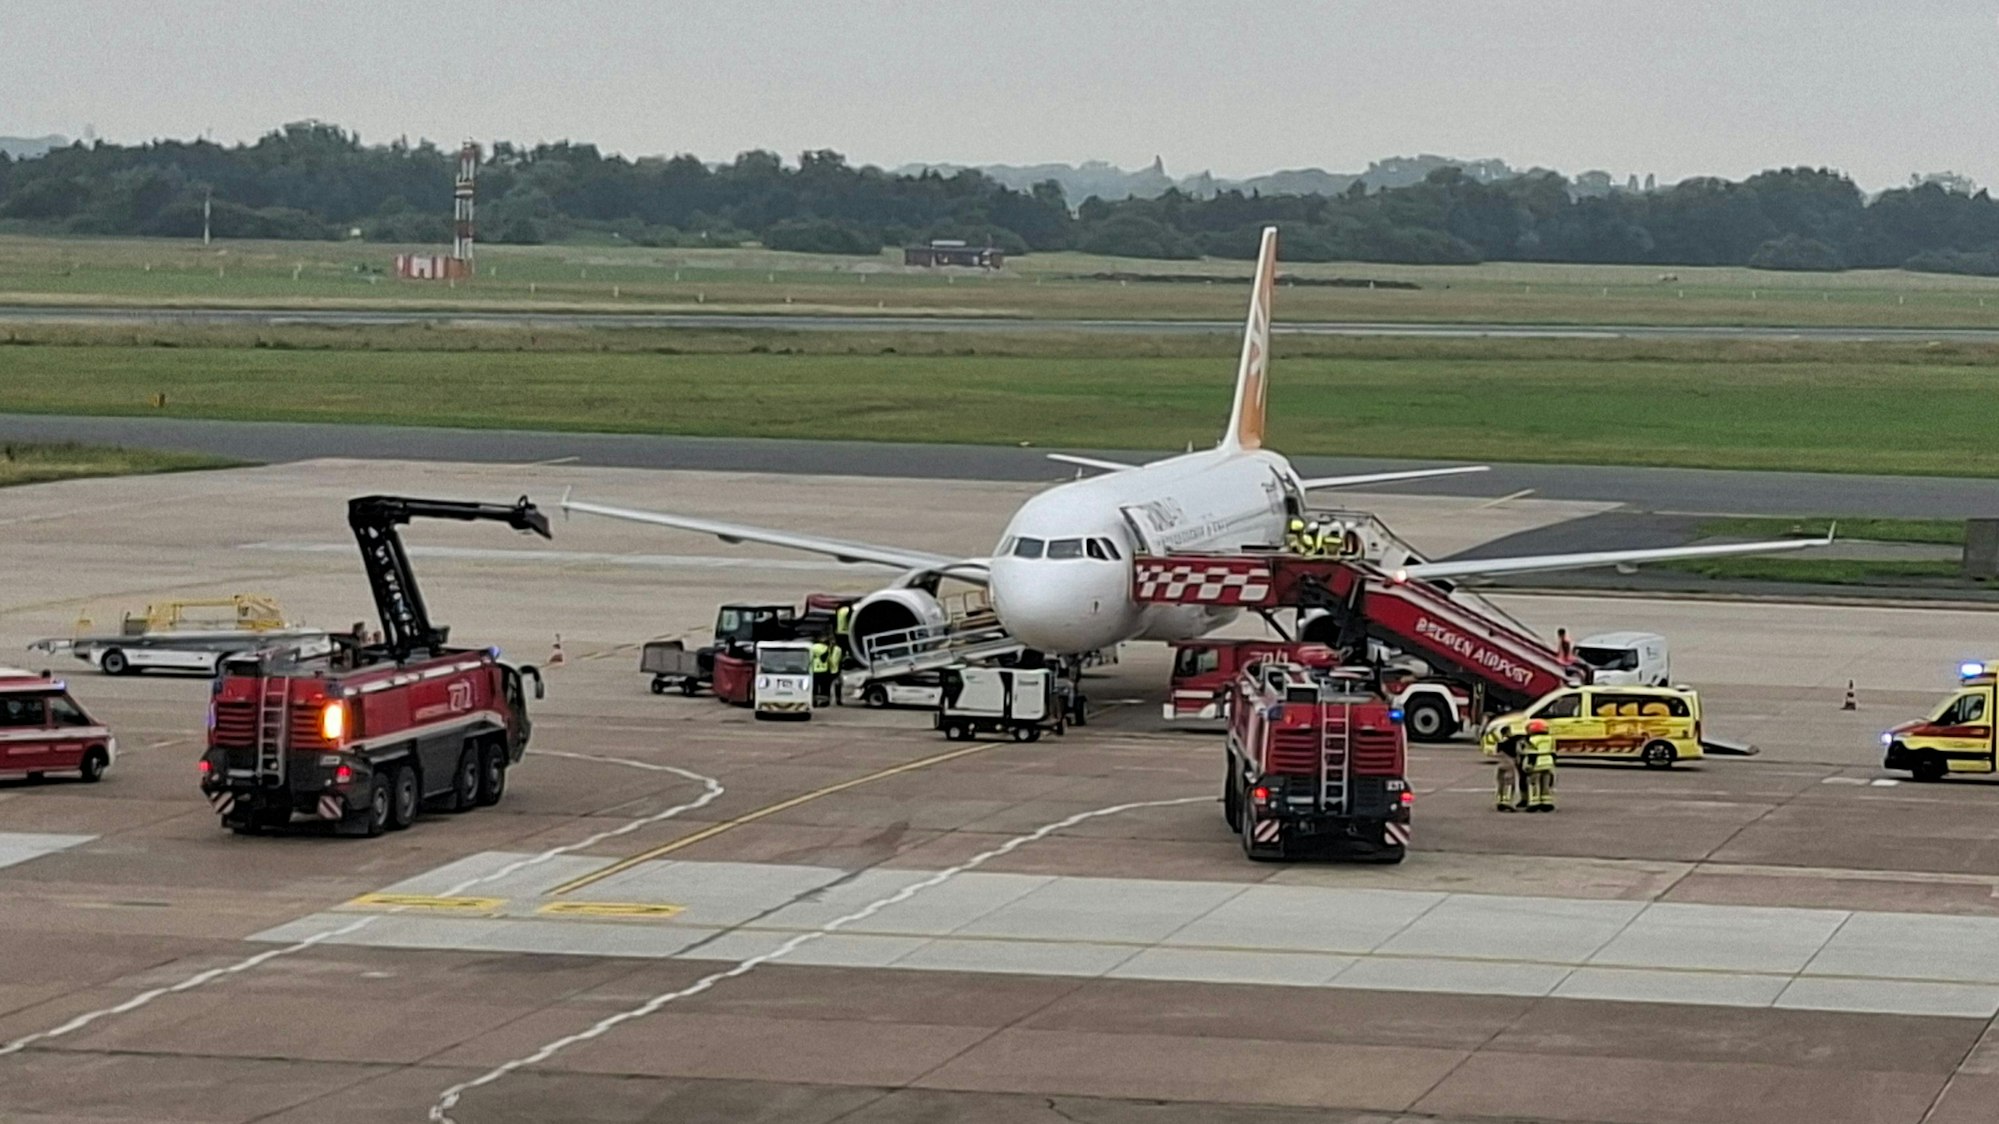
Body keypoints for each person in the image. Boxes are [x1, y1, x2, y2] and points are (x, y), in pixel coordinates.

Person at [1522, 718, 1558, 812]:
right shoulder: (1550, 739)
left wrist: (1528, 765)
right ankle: (1546, 802)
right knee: (1546, 784)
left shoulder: (1531, 740)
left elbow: (1531, 754)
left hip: (1537, 764)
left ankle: (1534, 802)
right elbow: (1554, 753)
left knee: (1534, 783)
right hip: (1548, 763)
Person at [1494, 727, 1525, 812]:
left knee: (1501, 784)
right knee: (1510, 783)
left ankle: (1499, 800)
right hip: (1509, 764)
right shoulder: (1511, 741)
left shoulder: (1499, 742)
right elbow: (1518, 752)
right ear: (1507, 732)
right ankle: (1507, 801)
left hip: (1500, 765)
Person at [808, 639, 834, 707]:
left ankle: (814, 702)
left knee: (814, 688)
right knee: (824, 688)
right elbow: (827, 659)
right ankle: (824, 702)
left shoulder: (811, 647)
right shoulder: (825, 648)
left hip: (814, 671)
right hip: (824, 670)